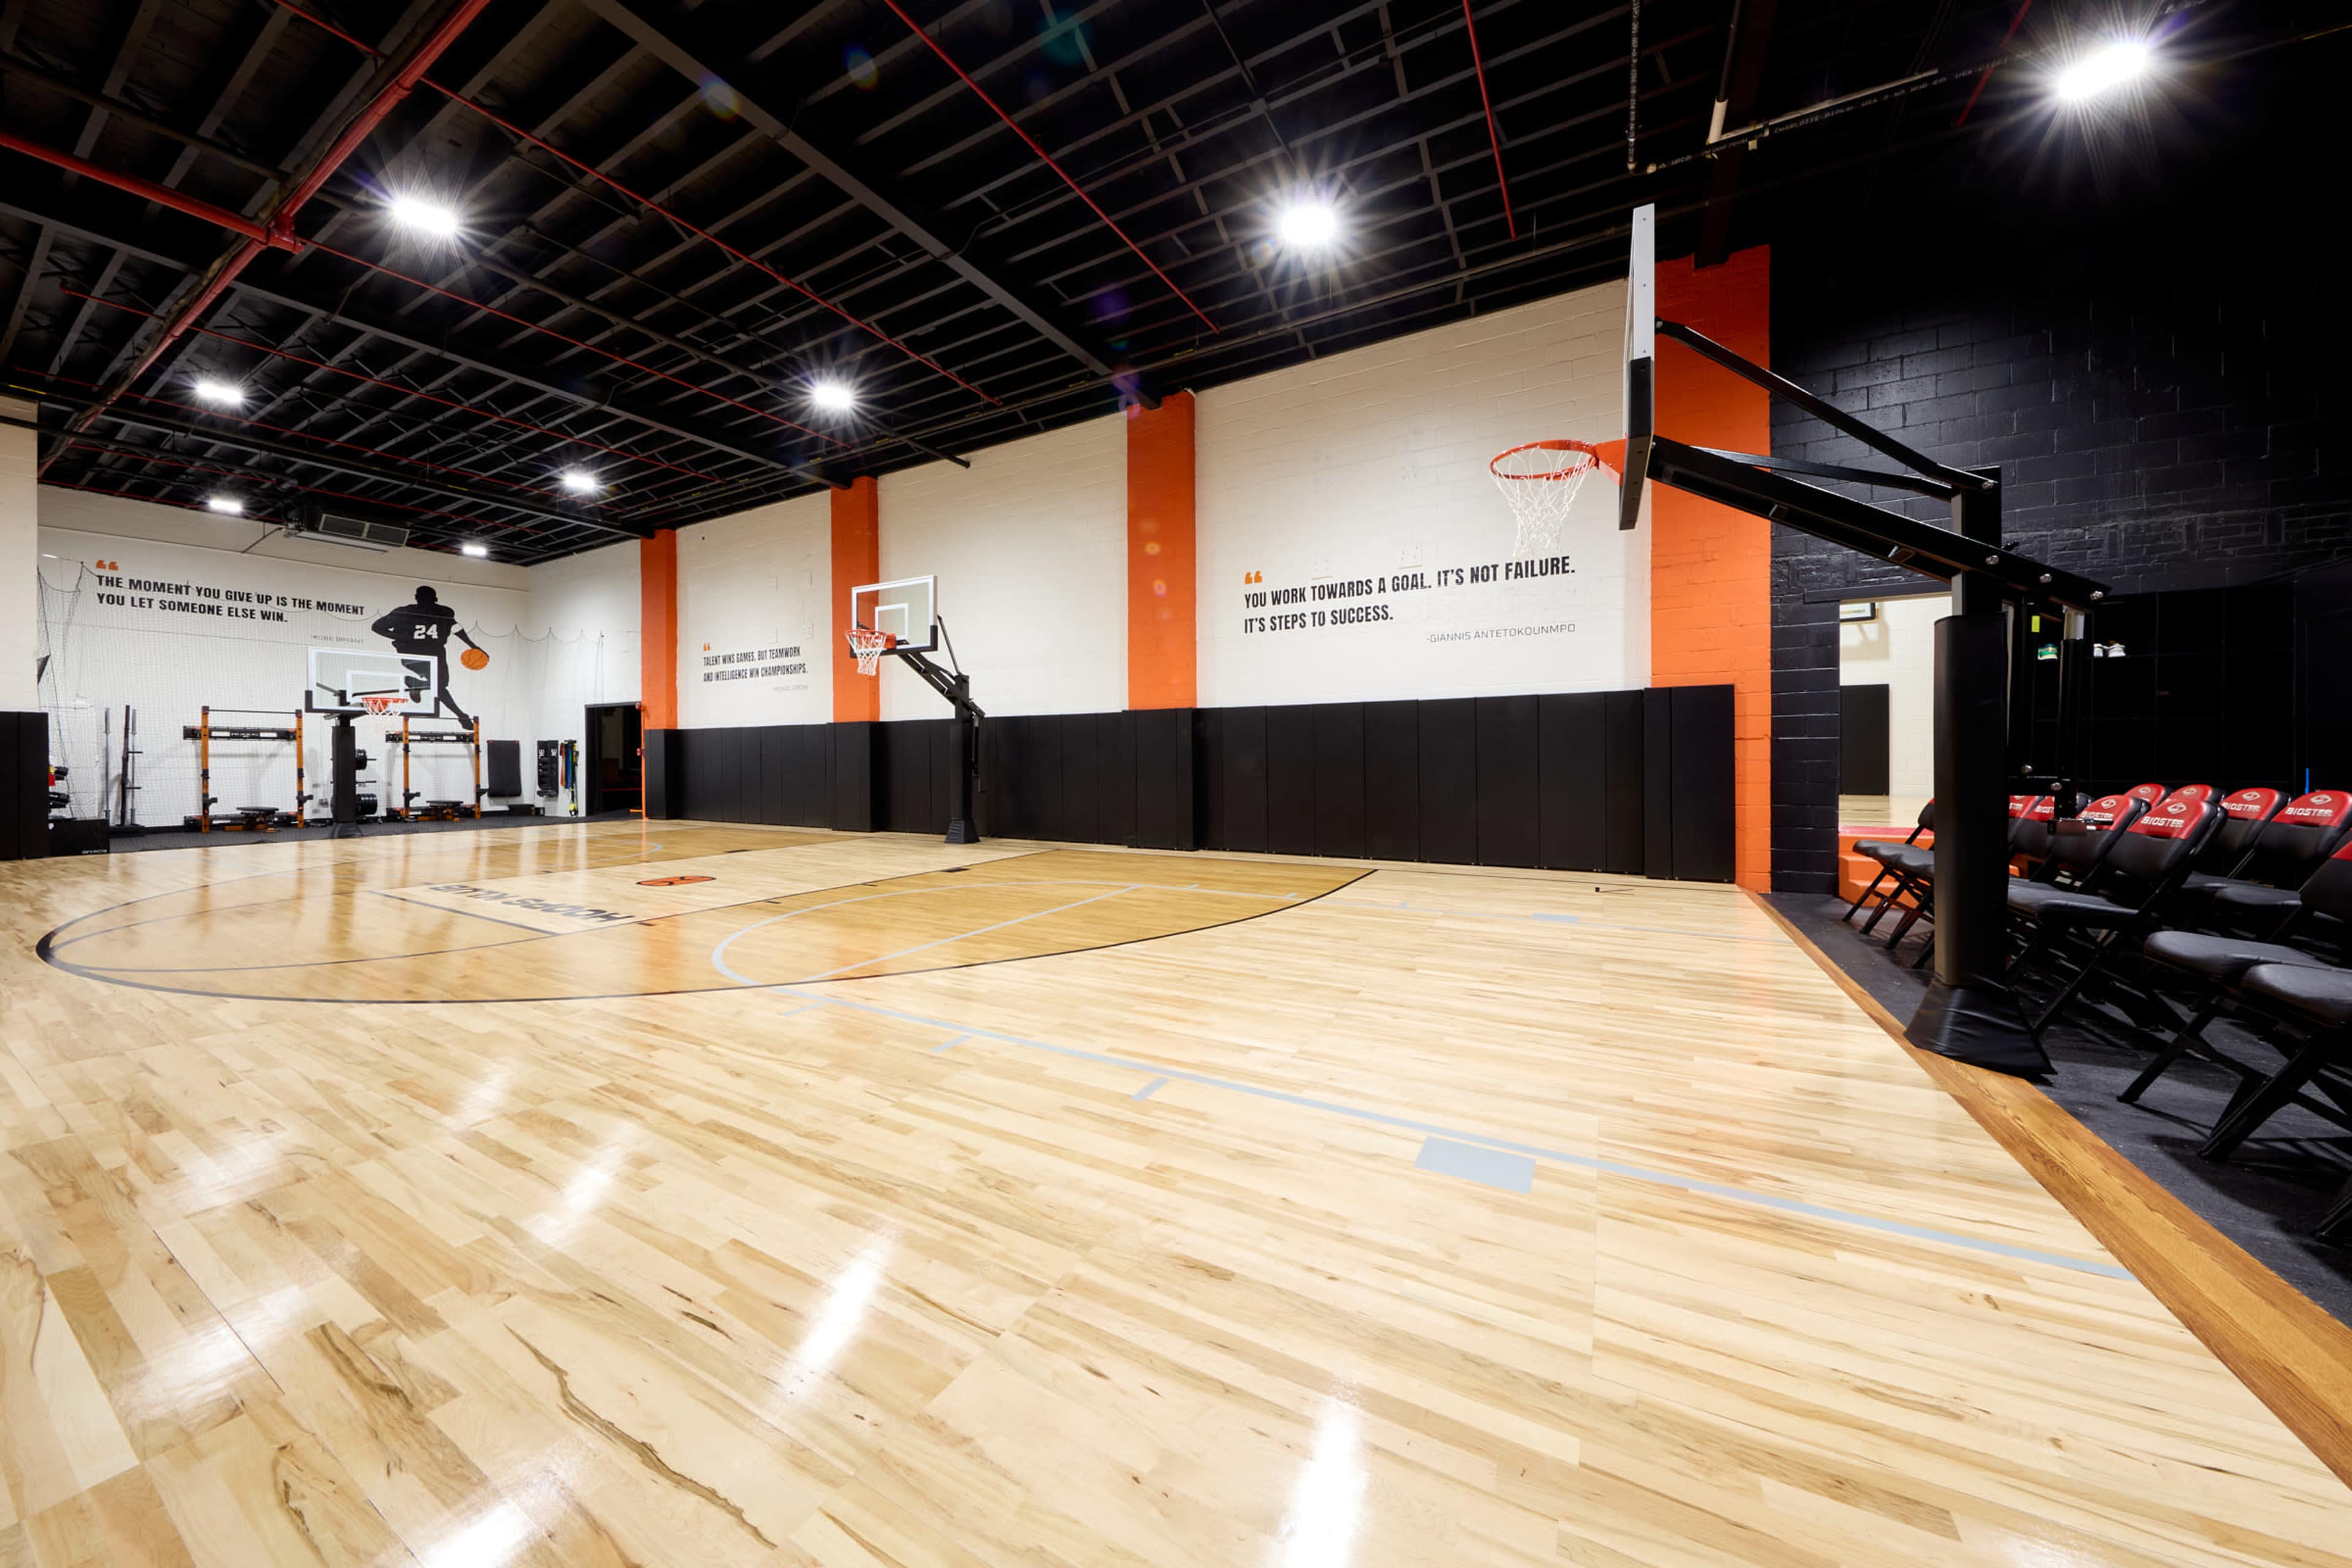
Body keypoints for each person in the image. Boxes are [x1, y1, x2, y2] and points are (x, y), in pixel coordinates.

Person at [370, 586, 481, 728]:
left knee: (441, 685)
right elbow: (456, 628)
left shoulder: (404, 612)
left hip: (419, 657)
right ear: (436, 598)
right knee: (440, 686)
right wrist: (473, 646)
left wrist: (400, 637)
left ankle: (417, 684)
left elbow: (377, 627)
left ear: (416, 597)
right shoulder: (443, 612)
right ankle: (461, 716)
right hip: (426, 656)